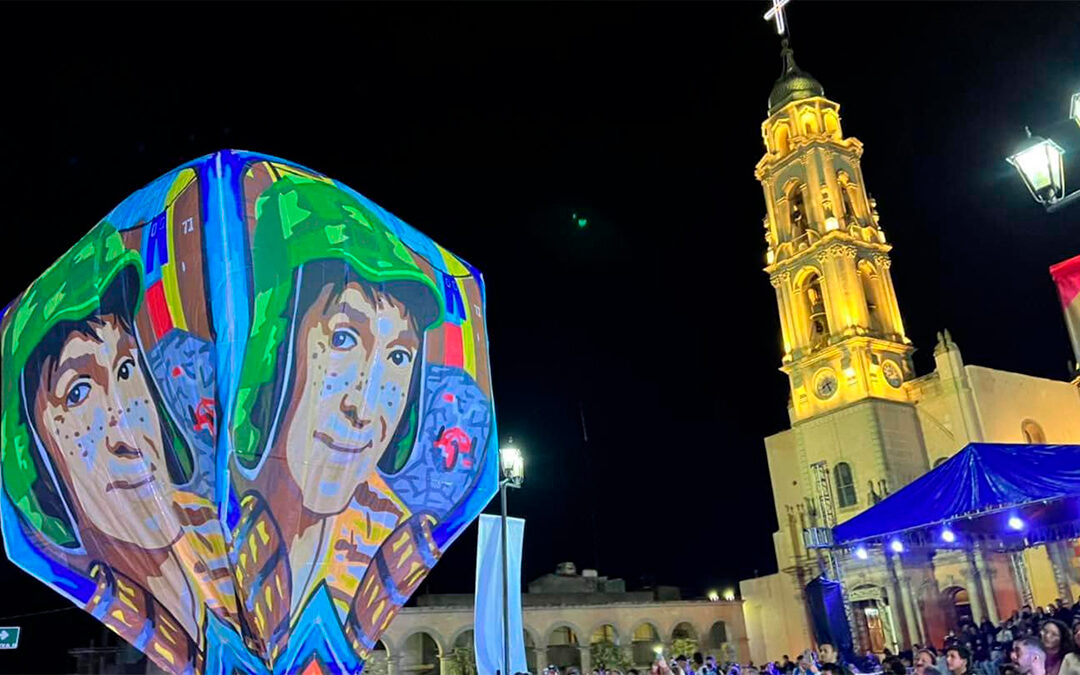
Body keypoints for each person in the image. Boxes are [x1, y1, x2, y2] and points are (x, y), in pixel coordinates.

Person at [1, 225, 235, 670]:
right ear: (37, 453)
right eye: (78, 392)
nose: (124, 426)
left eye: (127, 369)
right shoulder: (106, 598)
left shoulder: (235, 543)